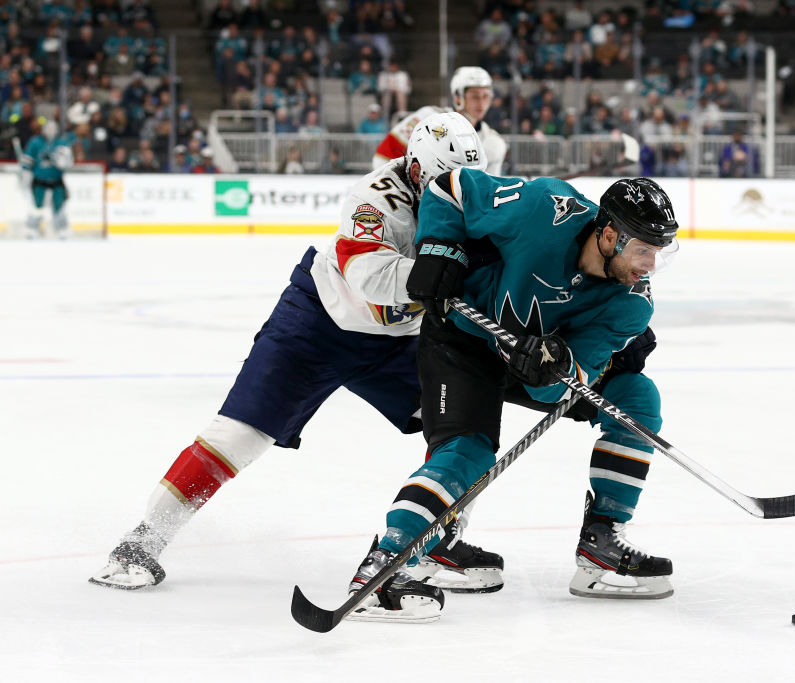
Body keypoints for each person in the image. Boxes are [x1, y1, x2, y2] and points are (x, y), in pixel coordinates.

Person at [89, 112, 501, 594]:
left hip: (399, 344)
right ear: (413, 168)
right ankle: (142, 541)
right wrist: (451, 280)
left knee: (464, 432)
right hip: (317, 324)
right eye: (440, 180)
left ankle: (433, 542)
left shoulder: (472, 195)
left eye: (464, 180)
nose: (453, 191)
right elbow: (367, 276)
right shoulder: (377, 197)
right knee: (240, 434)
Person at [344, 174, 679, 622]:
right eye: (644, 249)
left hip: (528, 362)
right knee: (469, 452)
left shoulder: (630, 304)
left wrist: (550, 367)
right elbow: (449, 186)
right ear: (610, 234)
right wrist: (439, 250)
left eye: (658, 252)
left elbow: (567, 384)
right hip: (462, 340)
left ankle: (601, 542)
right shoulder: (544, 206)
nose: (650, 265)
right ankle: (385, 565)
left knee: (636, 398)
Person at [372, 66, 507, 174]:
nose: (481, 103)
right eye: (475, 96)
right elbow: (383, 156)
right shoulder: (426, 118)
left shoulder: (494, 142)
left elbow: (487, 193)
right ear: (458, 97)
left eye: (486, 96)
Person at [19, 120, 76, 239]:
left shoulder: (62, 142)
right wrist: (25, 173)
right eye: (47, 128)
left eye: (52, 128)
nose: (50, 131)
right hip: (39, 180)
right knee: (37, 206)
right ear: (43, 130)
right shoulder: (35, 142)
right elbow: (28, 159)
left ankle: (62, 229)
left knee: (59, 207)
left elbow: (68, 162)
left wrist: (57, 160)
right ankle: (31, 228)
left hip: (57, 181)